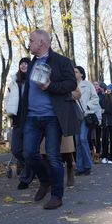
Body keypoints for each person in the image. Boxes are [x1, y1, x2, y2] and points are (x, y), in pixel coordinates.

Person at [19, 29, 80, 210]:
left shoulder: (61, 61)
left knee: (53, 156)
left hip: (53, 116)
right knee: (28, 153)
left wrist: (50, 86)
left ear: (42, 43)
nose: (28, 43)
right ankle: (45, 181)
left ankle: (57, 195)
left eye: (31, 40)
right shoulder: (31, 63)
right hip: (31, 116)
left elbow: (70, 84)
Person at [5, 57, 32, 190]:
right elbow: (7, 98)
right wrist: (8, 110)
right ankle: (31, 168)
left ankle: (25, 178)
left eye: (26, 63)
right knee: (15, 149)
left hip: (31, 119)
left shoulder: (33, 81)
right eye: (21, 63)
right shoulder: (14, 81)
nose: (23, 65)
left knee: (28, 150)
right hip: (17, 119)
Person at [74, 66, 99, 176]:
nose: (74, 73)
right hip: (74, 118)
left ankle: (88, 165)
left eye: (76, 72)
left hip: (85, 116)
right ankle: (80, 167)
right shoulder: (71, 86)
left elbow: (95, 98)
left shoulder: (88, 85)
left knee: (83, 139)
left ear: (81, 74)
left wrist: (87, 107)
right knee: (78, 143)